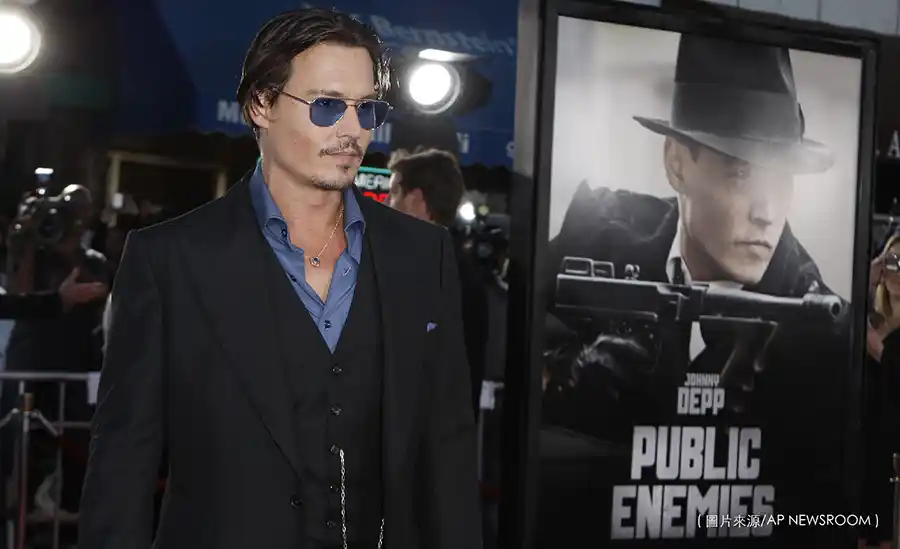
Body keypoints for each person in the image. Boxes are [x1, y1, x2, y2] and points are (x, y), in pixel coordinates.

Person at [78, 8, 480, 549]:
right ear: (261, 105)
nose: (352, 131)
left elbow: (448, 452)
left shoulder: (422, 255)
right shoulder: (169, 260)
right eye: (327, 105)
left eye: (367, 109)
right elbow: (123, 463)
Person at [539, 34, 852, 547]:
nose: (766, 212)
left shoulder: (822, 329)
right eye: (740, 172)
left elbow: (823, 518)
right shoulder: (599, 230)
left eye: (782, 179)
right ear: (677, 164)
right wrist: (561, 378)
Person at [387, 148, 489, 418]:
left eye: (394, 193)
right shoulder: (460, 270)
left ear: (416, 200)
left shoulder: (427, 274)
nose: (388, 204)